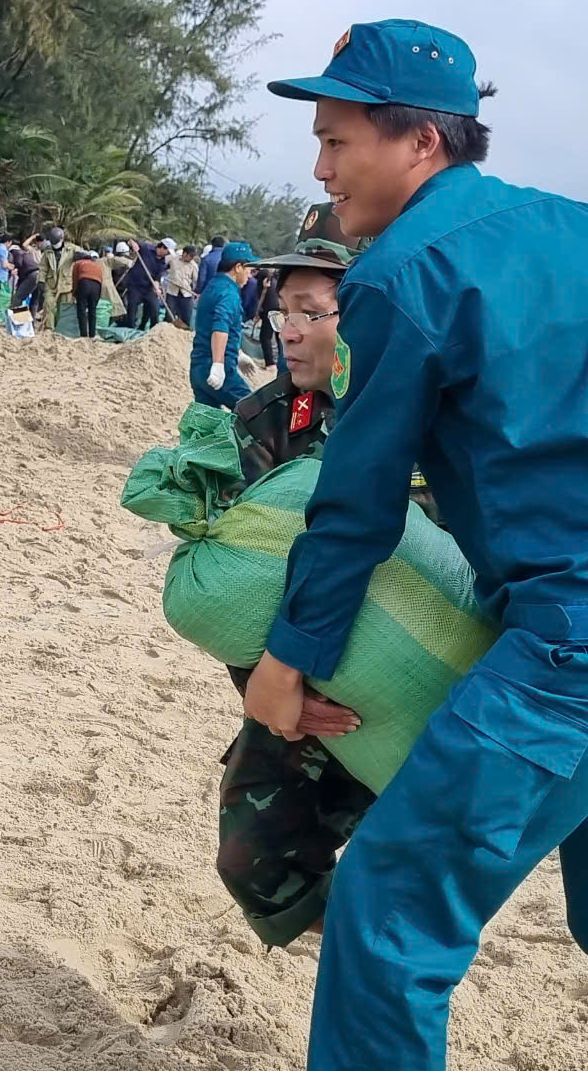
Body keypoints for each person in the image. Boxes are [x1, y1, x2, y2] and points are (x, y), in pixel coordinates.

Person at [243, 18, 588, 1071]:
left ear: (420, 141)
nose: (321, 171)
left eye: (336, 141)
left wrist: (286, 663)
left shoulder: (402, 272)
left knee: (388, 909)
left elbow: (357, 505)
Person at [213, 232, 366, 944]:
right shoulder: (264, 419)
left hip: (417, 684)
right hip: (298, 677)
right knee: (252, 847)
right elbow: (240, 582)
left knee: (398, 858)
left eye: (313, 310)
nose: (292, 331)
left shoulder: (416, 409)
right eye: (283, 313)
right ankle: (340, 945)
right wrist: (272, 690)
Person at [190, 240, 255, 406]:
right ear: (238, 267)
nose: (250, 274)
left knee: (208, 424)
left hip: (198, 368)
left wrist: (238, 353)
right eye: (249, 268)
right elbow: (220, 327)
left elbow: (214, 325)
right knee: (254, 411)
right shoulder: (228, 293)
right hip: (218, 369)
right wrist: (218, 364)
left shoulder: (213, 286)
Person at [164, 245, 199, 327]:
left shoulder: (193, 265)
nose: (191, 258)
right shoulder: (173, 260)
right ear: (184, 254)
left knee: (186, 316)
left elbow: (195, 280)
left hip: (186, 293)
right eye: (190, 256)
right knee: (169, 315)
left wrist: (196, 291)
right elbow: (163, 267)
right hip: (172, 292)